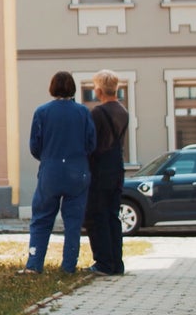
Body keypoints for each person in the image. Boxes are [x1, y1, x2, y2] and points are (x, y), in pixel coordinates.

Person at [20, 71, 96, 274]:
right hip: (77, 171)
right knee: (73, 222)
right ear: (73, 88)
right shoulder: (83, 112)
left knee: (42, 219)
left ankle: (34, 264)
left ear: (52, 88)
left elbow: (35, 145)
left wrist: (48, 158)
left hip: (50, 171)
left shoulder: (42, 112)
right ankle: (69, 266)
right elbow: (91, 142)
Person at [84, 69, 129, 276]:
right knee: (113, 215)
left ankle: (103, 262)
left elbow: (92, 143)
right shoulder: (123, 111)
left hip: (100, 169)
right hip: (117, 167)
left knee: (96, 215)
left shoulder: (98, 113)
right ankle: (116, 263)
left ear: (100, 90)